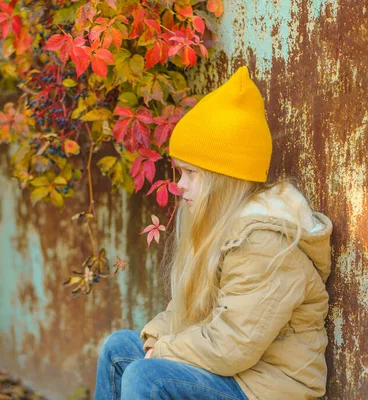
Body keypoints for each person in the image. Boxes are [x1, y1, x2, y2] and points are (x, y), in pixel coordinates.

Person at [94, 66, 332, 400]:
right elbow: (187, 312)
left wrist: (162, 351)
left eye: (191, 173)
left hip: (267, 388)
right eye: (180, 171)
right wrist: (155, 338)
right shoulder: (225, 230)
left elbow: (233, 345)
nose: (179, 184)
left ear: (224, 180)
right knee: (120, 349)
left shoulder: (264, 245)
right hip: (236, 374)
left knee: (147, 378)